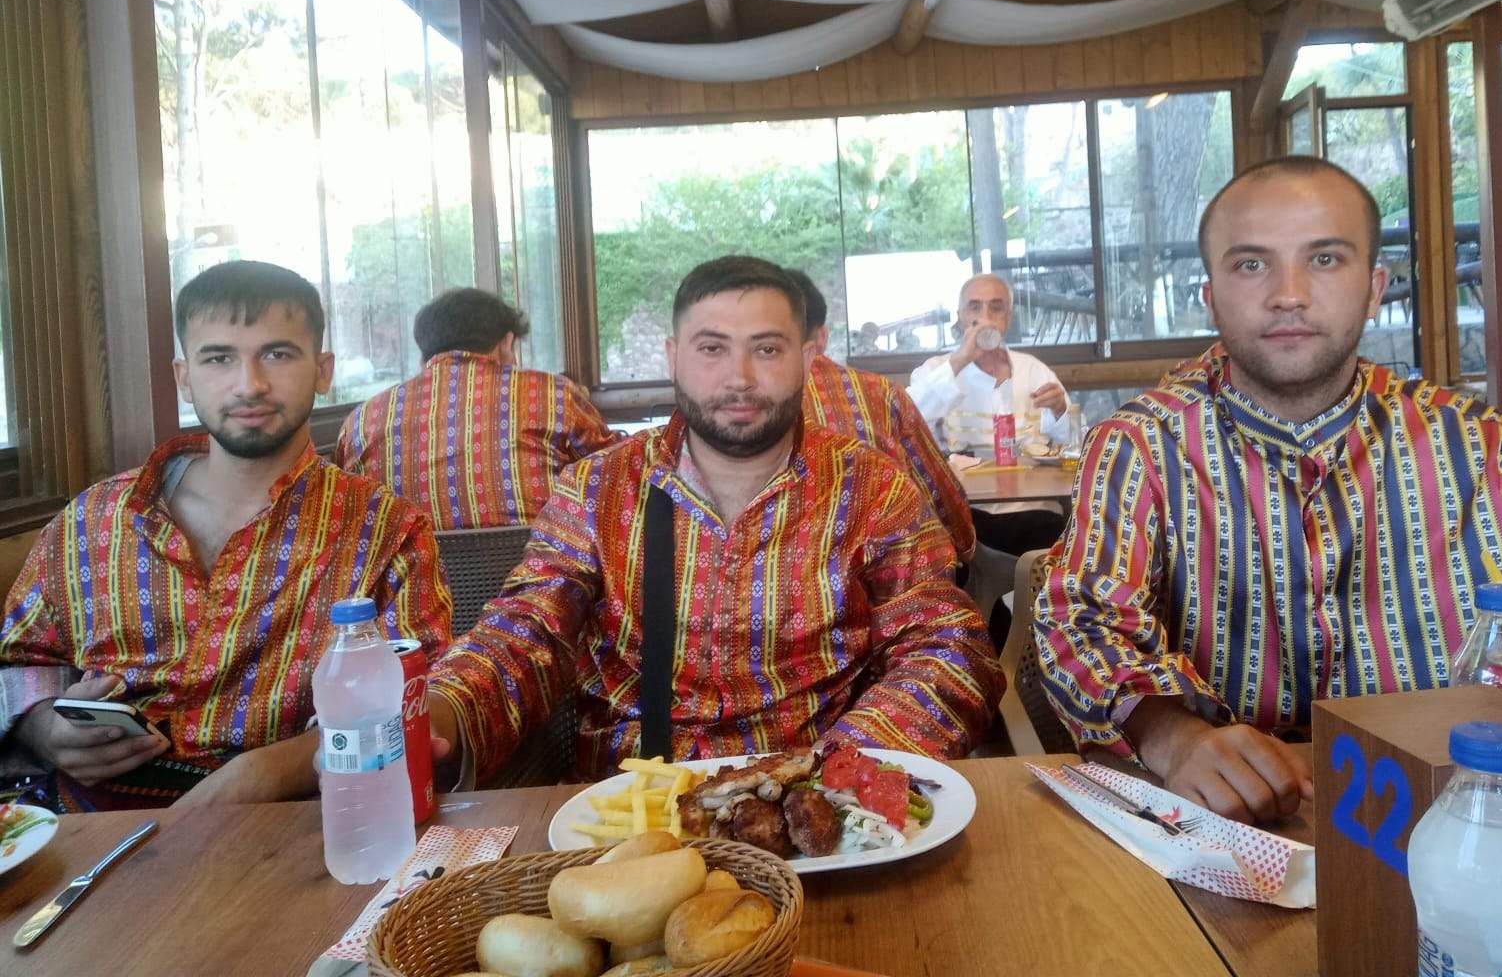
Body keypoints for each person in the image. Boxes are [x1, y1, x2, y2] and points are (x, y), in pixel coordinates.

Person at [1034, 156, 1502, 824]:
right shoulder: (1141, 446)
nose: (1289, 294)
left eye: (1325, 259)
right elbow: (1080, 622)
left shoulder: (1482, 447)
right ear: (1211, 296)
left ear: (1374, 288)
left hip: (1463, 822)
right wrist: (1173, 737)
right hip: (1225, 830)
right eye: (1252, 264)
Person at [426, 256, 1002, 783]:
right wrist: (443, 709)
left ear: (807, 359)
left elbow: (946, 645)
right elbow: (527, 628)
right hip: (634, 813)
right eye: (711, 349)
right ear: (673, 356)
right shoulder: (596, 490)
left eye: (767, 349)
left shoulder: (872, 488)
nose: (739, 377)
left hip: (818, 803)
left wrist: (840, 772)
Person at [0, 261, 451, 812]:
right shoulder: (94, 520)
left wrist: (275, 769)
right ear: (184, 377)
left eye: (277, 354)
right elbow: (21, 661)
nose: (249, 384)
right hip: (89, 829)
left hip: (290, 826)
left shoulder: (385, 530)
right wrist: (44, 728)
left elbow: (419, 697)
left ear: (322, 370)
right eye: (218, 358)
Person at [335, 288, 620, 529]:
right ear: (506, 343)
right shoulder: (552, 394)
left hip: (416, 578)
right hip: (538, 575)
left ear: (424, 358)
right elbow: (618, 474)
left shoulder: (362, 421)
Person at [785, 269, 975, 563]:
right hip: (892, 573)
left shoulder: (731, 411)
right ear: (822, 336)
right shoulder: (880, 394)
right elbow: (941, 496)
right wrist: (966, 547)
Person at [907, 272, 1077, 554]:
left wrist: (1059, 410)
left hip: (1034, 507)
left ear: (1008, 317)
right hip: (965, 511)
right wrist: (961, 358)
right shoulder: (935, 369)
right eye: (974, 307)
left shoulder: (1033, 370)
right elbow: (907, 419)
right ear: (960, 316)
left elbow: (1073, 442)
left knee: (1053, 536)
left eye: (995, 307)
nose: (984, 317)